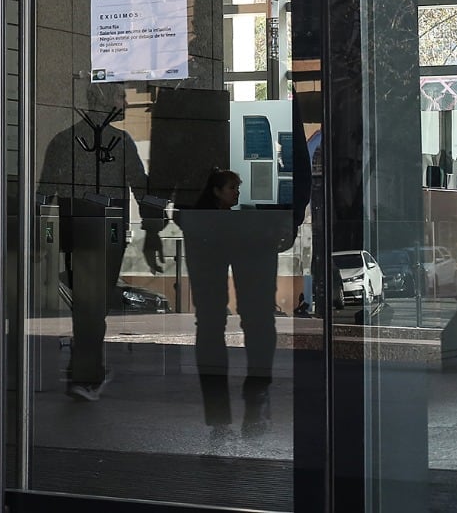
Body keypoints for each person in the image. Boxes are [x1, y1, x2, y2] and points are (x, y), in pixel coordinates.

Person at [36, 82, 162, 402]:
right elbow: (141, 189)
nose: (126, 103)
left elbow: (43, 197)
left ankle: (85, 370)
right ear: (101, 99)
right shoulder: (121, 142)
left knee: (86, 304)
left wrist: (43, 237)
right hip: (109, 231)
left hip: (75, 231)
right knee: (94, 305)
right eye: (120, 96)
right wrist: (153, 231)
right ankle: (86, 374)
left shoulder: (63, 141)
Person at [179, 167, 282, 440]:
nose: (237, 193)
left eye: (237, 188)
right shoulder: (219, 222)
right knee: (245, 320)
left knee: (215, 323)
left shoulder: (209, 221)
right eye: (231, 188)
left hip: (217, 238)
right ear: (216, 191)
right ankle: (247, 403)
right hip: (236, 238)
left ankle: (223, 417)